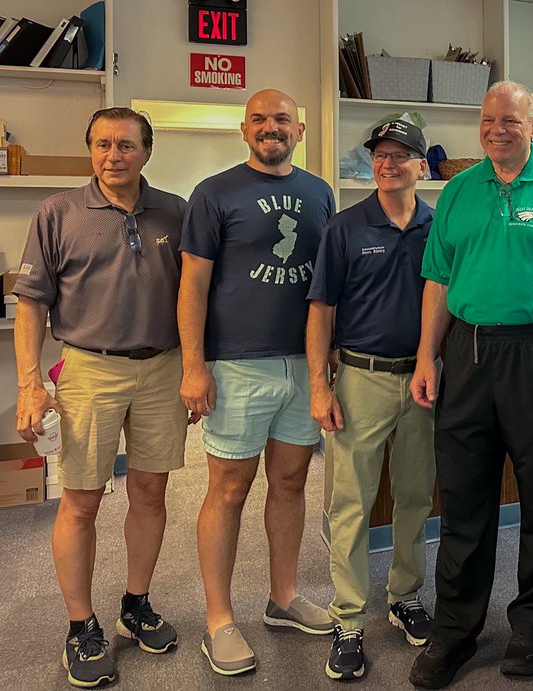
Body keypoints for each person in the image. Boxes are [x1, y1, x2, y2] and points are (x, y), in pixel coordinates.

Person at [407, 81, 533, 688]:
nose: (498, 129)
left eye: (511, 121)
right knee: (464, 499)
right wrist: (426, 356)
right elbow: (439, 281)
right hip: (467, 354)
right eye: (489, 119)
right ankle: (455, 631)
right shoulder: (458, 194)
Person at [13, 107, 187, 689]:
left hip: (163, 369)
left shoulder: (175, 212)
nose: (114, 155)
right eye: (103, 145)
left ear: (147, 151)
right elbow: (32, 303)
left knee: (151, 491)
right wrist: (31, 384)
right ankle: (80, 625)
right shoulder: (58, 213)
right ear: (90, 149)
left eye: (126, 145)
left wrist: (197, 367)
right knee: (81, 501)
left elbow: (196, 293)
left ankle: (135, 604)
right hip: (90, 370)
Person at [178, 88, 336, 677]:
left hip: (304, 362)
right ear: (244, 129)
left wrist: (328, 360)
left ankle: (284, 597)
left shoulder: (320, 193)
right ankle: (219, 619)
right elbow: (192, 285)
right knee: (228, 489)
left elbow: (326, 283)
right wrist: (194, 366)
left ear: (298, 130)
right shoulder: (215, 193)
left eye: (282, 120)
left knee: (291, 481)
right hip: (237, 365)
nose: (272, 127)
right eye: (260, 119)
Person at [306, 119, 436, 681]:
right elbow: (321, 311)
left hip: (426, 381)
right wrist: (319, 383)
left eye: (401, 155)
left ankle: (405, 595)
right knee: (351, 503)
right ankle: (349, 620)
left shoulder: (440, 225)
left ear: (421, 165)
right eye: (380, 155)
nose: (388, 164)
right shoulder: (344, 228)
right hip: (360, 377)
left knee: (414, 497)